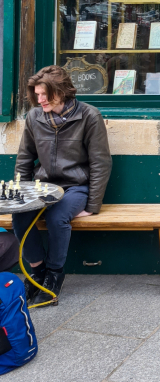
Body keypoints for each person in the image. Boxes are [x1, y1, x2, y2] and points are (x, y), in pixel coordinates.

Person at [13, 65, 112, 306]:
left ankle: (55, 275)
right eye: (37, 95)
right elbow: (24, 158)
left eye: (45, 94)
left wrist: (93, 205)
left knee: (58, 217)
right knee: (20, 217)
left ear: (62, 91)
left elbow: (100, 162)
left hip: (75, 187)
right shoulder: (34, 117)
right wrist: (20, 194)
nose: (40, 99)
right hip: (42, 186)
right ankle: (37, 271)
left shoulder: (89, 115)